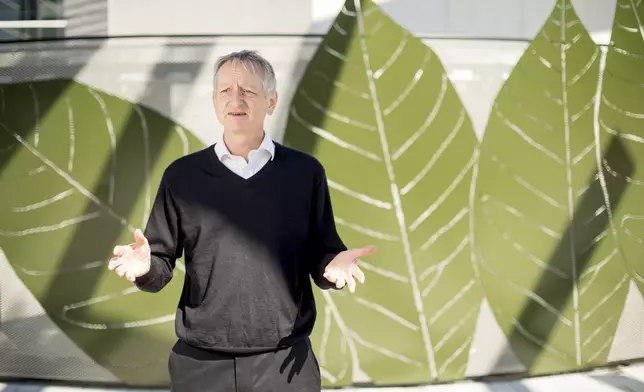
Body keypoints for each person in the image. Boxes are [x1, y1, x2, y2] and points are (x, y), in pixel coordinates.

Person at [107, 50, 376, 391]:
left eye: (248, 91)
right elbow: (160, 266)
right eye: (225, 91)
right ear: (215, 101)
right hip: (200, 363)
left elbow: (322, 255)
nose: (236, 100)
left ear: (271, 101)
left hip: (286, 365)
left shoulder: (304, 173)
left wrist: (334, 267)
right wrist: (146, 266)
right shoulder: (183, 176)